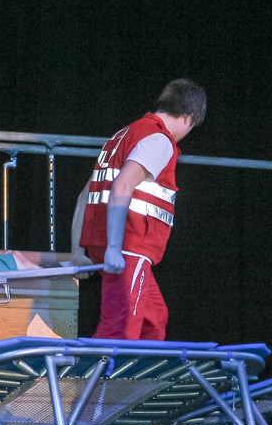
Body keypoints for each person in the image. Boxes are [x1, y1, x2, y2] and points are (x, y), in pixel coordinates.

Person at [71, 78, 207, 340]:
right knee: (120, 328)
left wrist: (80, 250)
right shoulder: (158, 140)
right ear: (188, 118)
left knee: (153, 320)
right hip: (128, 245)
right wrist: (113, 248)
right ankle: (98, 370)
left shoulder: (122, 136)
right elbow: (122, 185)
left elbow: (85, 195)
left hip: (113, 244)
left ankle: (141, 369)